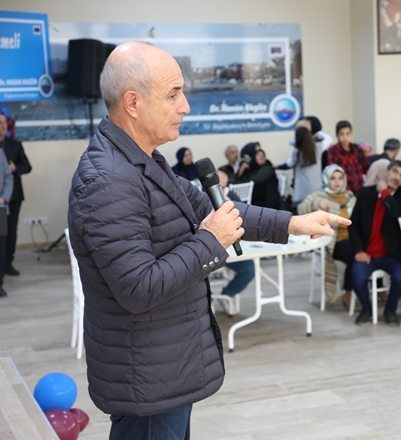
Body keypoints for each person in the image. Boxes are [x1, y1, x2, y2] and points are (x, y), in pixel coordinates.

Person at [67, 42, 349, 439]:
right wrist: (210, 241)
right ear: (133, 102)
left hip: (166, 367)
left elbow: (220, 211)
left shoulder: (143, 159)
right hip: (147, 376)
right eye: (173, 94)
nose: (185, 106)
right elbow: (138, 287)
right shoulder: (109, 180)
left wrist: (295, 223)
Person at [349, 160, 401, 325]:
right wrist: (359, 251)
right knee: (357, 277)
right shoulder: (365, 194)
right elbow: (353, 225)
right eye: (395, 172)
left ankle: (390, 310)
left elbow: (399, 217)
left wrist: (385, 194)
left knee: (400, 277)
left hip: (391, 255)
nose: (397, 177)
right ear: (387, 172)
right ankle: (366, 309)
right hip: (367, 253)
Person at [297, 165, 356, 306]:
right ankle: (348, 292)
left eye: (340, 178)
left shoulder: (350, 196)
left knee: (371, 249)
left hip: (353, 238)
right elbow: (300, 209)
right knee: (355, 255)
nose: (337, 182)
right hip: (333, 242)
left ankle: (371, 290)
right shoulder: (319, 196)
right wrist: (317, 204)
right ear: (326, 180)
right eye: (333, 178)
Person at [211, 169, 256, 315]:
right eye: (220, 187)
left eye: (225, 186)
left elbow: (246, 218)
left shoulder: (230, 196)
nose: (224, 190)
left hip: (232, 249)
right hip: (209, 251)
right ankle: (206, 302)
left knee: (249, 269)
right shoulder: (200, 199)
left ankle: (226, 295)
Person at [0, 113, 30, 276]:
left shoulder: (15, 145)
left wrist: (15, 168)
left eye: (4, 123)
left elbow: (27, 166)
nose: (2, 126)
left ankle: (7, 264)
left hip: (13, 197)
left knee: (10, 232)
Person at [283, 120, 322, 208]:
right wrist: (309, 131)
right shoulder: (319, 146)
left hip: (302, 192)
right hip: (317, 190)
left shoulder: (296, 151)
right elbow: (326, 137)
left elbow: (289, 164)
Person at [326, 120, 370, 193]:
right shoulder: (333, 151)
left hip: (358, 187)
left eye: (348, 134)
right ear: (337, 136)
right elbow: (332, 171)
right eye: (342, 134)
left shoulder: (357, 149)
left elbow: (366, 167)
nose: (345, 137)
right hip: (342, 190)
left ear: (351, 134)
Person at [235, 142, 281, 209]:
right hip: (258, 203)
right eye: (257, 153)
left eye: (262, 154)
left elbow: (253, 181)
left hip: (268, 206)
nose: (261, 156)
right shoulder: (251, 168)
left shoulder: (267, 167)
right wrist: (241, 172)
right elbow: (238, 180)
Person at [0, 147, 12, 297]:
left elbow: (8, 177)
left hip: (0, 208)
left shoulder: (1, 152)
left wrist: (4, 197)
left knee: (1, 248)